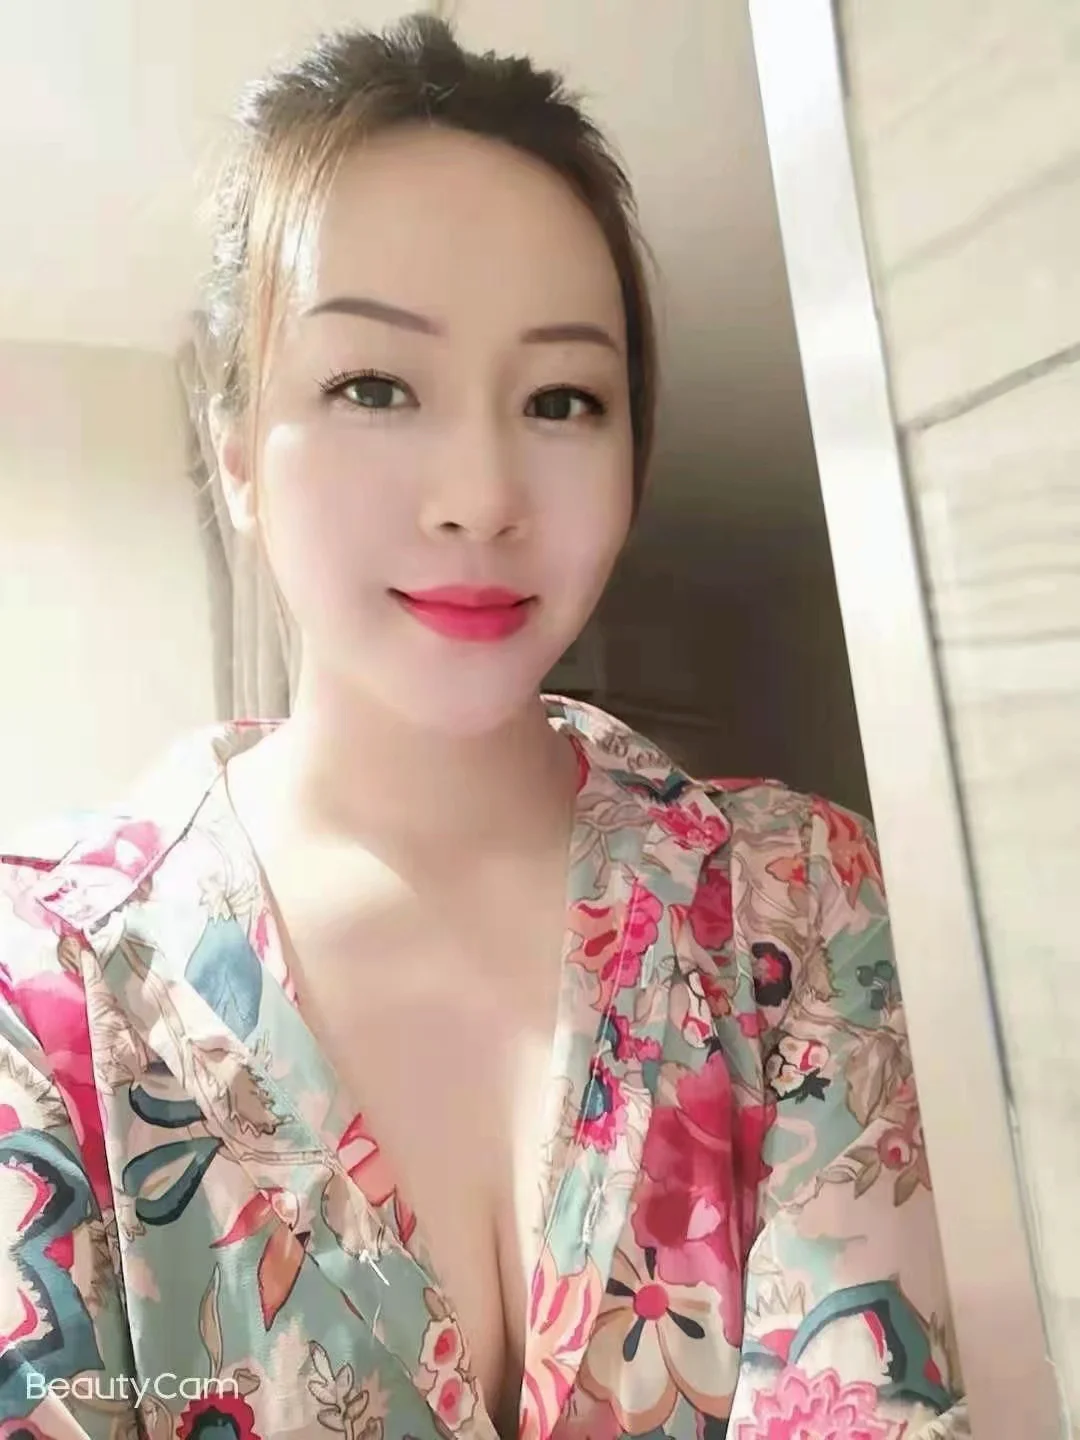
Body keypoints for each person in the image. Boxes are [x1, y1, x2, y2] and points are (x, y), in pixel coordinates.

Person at [0, 14, 966, 1440]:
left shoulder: (801, 908)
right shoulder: (49, 990)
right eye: (374, 386)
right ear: (237, 449)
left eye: (562, 399)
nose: (480, 496)